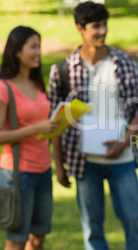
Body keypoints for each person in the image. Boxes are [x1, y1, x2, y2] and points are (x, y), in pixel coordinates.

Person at [48, 1, 138, 250]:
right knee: (92, 229)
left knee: (133, 222)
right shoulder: (63, 70)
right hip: (85, 163)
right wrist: (59, 166)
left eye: (104, 25)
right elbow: (55, 123)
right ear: (80, 28)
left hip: (122, 159)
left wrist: (124, 141)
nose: (102, 31)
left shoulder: (125, 65)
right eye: (96, 26)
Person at [0, 26, 61, 250]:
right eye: (33, 47)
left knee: (38, 239)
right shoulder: (4, 88)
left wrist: (55, 125)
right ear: (17, 51)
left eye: (39, 47)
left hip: (43, 171)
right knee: (17, 241)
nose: (38, 52)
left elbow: (40, 125)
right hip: (18, 174)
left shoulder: (37, 84)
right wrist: (37, 127)